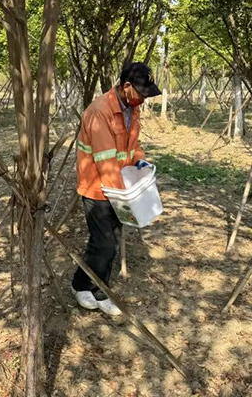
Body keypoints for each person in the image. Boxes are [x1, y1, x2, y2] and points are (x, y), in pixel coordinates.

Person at [72, 62, 161, 315]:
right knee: (103, 243)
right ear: (127, 86)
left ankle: (99, 289)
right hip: (98, 187)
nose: (144, 99)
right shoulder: (100, 112)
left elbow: (133, 145)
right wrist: (127, 198)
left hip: (119, 186)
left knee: (112, 241)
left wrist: (140, 160)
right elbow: (106, 161)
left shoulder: (132, 108)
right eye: (142, 93)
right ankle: (81, 285)